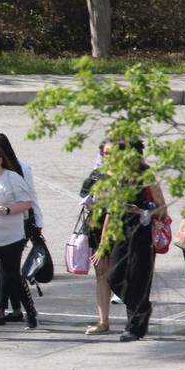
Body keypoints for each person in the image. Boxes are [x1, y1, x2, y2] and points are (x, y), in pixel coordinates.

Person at [102, 141, 167, 342]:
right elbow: (110, 209)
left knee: (138, 277)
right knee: (114, 275)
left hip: (142, 229)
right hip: (120, 229)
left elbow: (162, 207)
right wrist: (104, 240)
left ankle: (134, 327)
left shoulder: (145, 175)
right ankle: (143, 308)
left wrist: (145, 212)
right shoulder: (116, 175)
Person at [0, 133, 44, 319]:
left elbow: (31, 196)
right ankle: (17, 309)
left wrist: (38, 221)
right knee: (9, 269)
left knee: (8, 269)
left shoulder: (20, 169)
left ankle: (3, 309)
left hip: (21, 222)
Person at [80, 142, 112, 335]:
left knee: (122, 274)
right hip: (97, 227)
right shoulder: (96, 176)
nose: (108, 157)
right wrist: (92, 202)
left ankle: (135, 319)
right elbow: (84, 198)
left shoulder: (130, 177)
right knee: (101, 274)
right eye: (105, 154)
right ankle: (103, 321)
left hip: (121, 228)